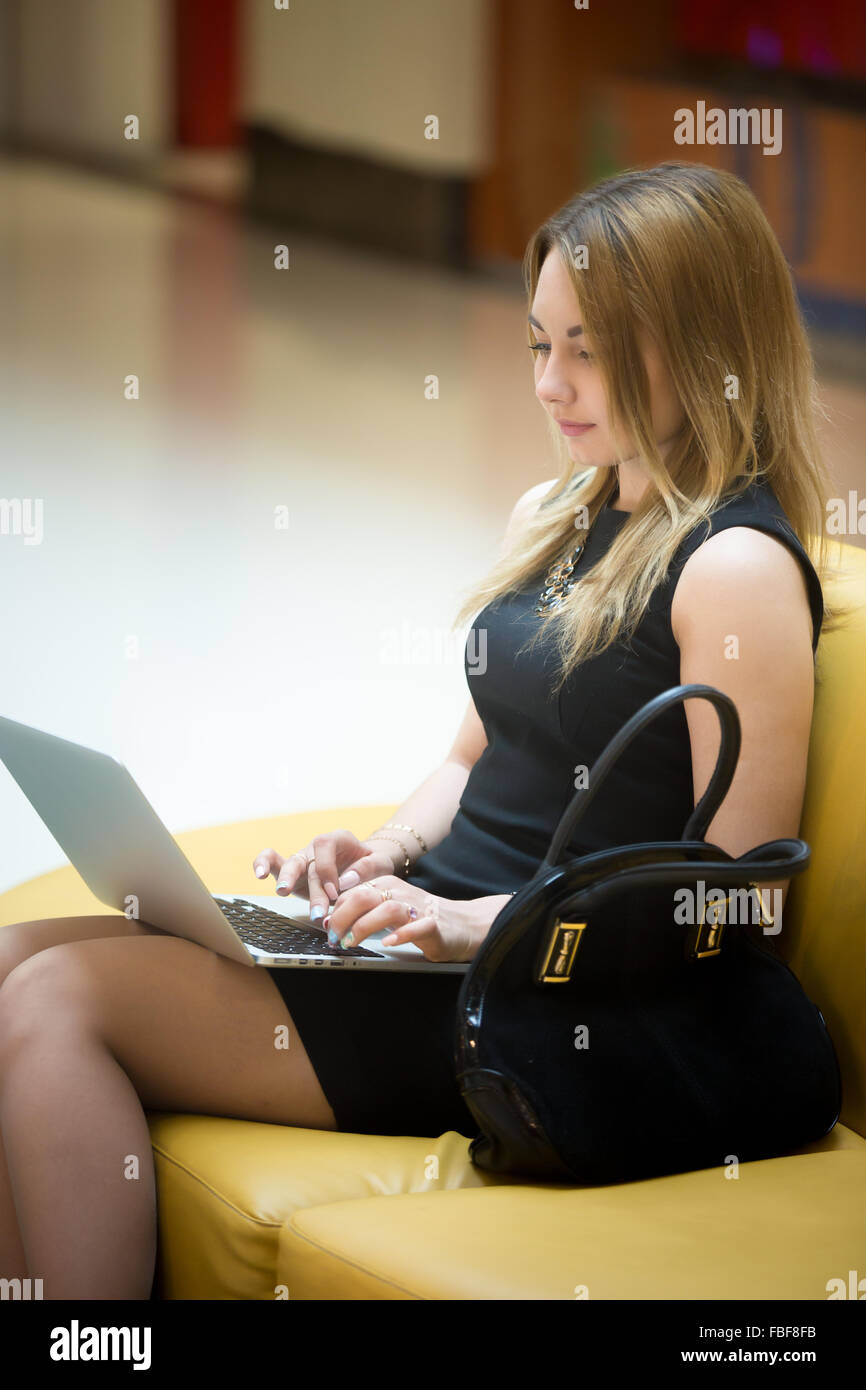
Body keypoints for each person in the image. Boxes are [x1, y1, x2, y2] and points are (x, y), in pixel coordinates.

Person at [0, 162, 840, 1300]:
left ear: (700, 343)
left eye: (587, 348)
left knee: (58, 1003)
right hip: (424, 950)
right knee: (10, 962)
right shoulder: (556, 515)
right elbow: (468, 759)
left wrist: (462, 921)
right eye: (539, 343)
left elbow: (735, 897)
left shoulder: (732, 567)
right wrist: (385, 857)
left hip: (531, 1000)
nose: (550, 383)